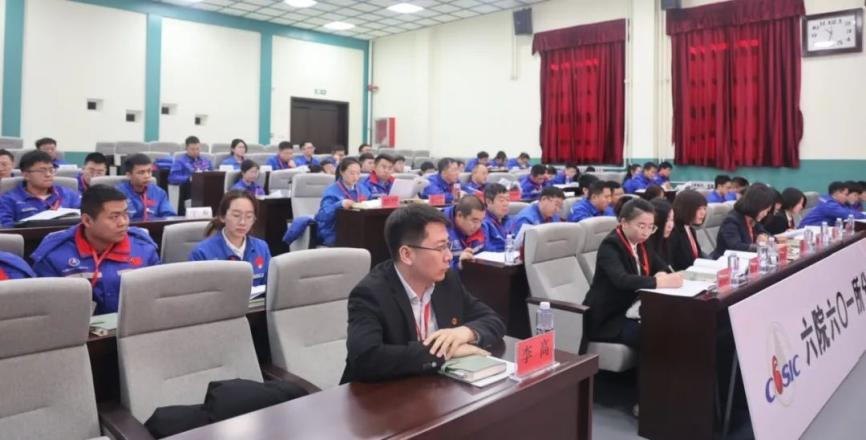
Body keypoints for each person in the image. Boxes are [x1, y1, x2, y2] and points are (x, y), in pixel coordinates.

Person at [341, 203, 506, 383]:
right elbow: (366, 358)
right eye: (440, 248)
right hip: (382, 394)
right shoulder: (371, 293)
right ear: (407, 255)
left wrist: (464, 333)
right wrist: (443, 352)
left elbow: (494, 320)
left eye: (448, 245)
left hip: (434, 387)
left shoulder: (446, 280)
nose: (449, 256)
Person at [30, 185, 160, 314]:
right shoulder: (54, 256)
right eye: (114, 217)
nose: (123, 222)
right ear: (87, 220)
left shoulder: (144, 249)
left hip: (134, 323)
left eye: (125, 214)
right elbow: (44, 309)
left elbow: (157, 298)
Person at [582, 198, 683, 349]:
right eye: (641, 226)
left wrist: (661, 274)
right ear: (624, 222)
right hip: (610, 317)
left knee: (675, 324)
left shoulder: (642, 242)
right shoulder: (611, 245)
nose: (646, 232)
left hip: (634, 309)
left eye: (651, 227)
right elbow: (622, 280)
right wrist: (659, 282)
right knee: (656, 334)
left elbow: (660, 266)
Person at [189, 190, 270, 287]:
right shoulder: (202, 253)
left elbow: (270, 286)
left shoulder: (262, 248)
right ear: (222, 217)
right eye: (236, 215)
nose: (242, 222)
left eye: (249, 216)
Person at [0, 150, 81, 227]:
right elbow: (7, 229)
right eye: (42, 171)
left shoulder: (69, 195)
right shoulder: (9, 200)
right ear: (26, 175)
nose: (48, 174)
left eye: (51, 170)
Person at [315, 158, 371, 246]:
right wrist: (339, 204)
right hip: (335, 231)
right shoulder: (331, 190)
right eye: (352, 173)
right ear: (342, 172)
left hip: (358, 229)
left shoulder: (363, 189)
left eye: (358, 173)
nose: (356, 177)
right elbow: (322, 216)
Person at [711, 184, 775, 258]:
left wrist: (767, 239)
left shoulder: (753, 218)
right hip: (725, 261)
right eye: (765, 210)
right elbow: (736, 247)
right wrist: (761, 246)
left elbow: (766, 234)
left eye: (767, 211)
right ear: (756, 205)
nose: (765, 214)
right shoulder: (731, 221)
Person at [118, 153, 175, 221]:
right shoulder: (118, 193)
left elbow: (169, 216)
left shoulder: (159, 193)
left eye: (149, 171)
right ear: (129, 175)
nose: (147, 176)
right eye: (141, 172)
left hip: (156, 227)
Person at [168, 136, 213, 215]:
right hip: (188, 190)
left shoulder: (206, 161)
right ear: (186, 148)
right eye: (192, 149)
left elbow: (213, 173)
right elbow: (172, 178)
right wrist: (189, 178)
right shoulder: (180, 161)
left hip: (205, 190)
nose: (195, 151)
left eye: (197, 149)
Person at [668, 189, 708, 271]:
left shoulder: (690, 229)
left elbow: (697, 257)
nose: (703, 213)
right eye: (699, 209)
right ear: (685, 209)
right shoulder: (673, 231)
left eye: (704, 208)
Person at [444, 195, 486, 269]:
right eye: (475, 221)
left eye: (481, 221)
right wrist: (458, 265)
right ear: (459, 215)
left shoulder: (481, 227)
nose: (478, 226)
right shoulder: (440, 227)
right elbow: (434, 266)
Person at [799, 181, 866, 226]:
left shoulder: (834, 202)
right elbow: (848, 214)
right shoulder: (829, 204)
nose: (846, 197)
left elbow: (850, 211)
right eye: (845, 194)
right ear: (837, 193)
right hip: (807, 231)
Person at [481, 183, 511, 252]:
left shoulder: (509, 220)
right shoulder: (482, 223)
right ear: (488, 202)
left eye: (507, 200)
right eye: (501, 200)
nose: (506, 204)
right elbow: (486, 250)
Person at [646, 198, 674, 266]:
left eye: (672, 220)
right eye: (666, 220)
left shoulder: (667, 241)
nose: (671, 225)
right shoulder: (645, 245)